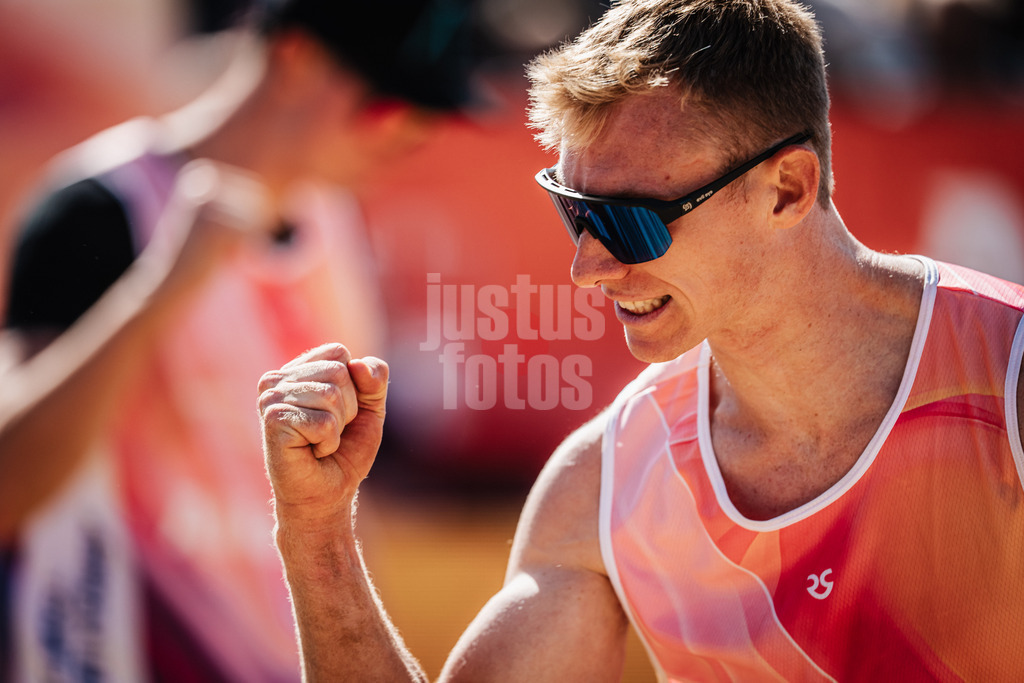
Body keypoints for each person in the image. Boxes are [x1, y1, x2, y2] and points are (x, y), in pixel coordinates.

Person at [258, 0, 1024, 680]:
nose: (588, 268)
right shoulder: (608, 479)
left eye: (630, 221)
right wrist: (316, 536)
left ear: (786, 189)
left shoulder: (1009, 373)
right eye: (577, 212)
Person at [0, 1, 477, 680]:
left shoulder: (331, 221)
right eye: (387, 101)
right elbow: (10, 483)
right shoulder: (99, 209)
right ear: (294, 54)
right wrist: (164, 285)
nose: (407, 133)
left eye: (428, 115)